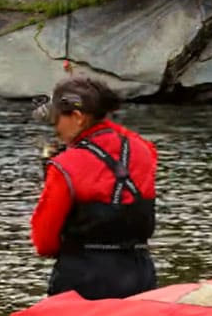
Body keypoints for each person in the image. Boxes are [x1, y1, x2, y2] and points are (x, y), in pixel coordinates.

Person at [30, 76, 158, 299]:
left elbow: (44, 243)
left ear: (78, 117)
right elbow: (125, 139)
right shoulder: (144, 151)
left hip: (84, 280)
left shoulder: (64, 166)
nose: (55, 127)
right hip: (140, 276)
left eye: (56, 119)